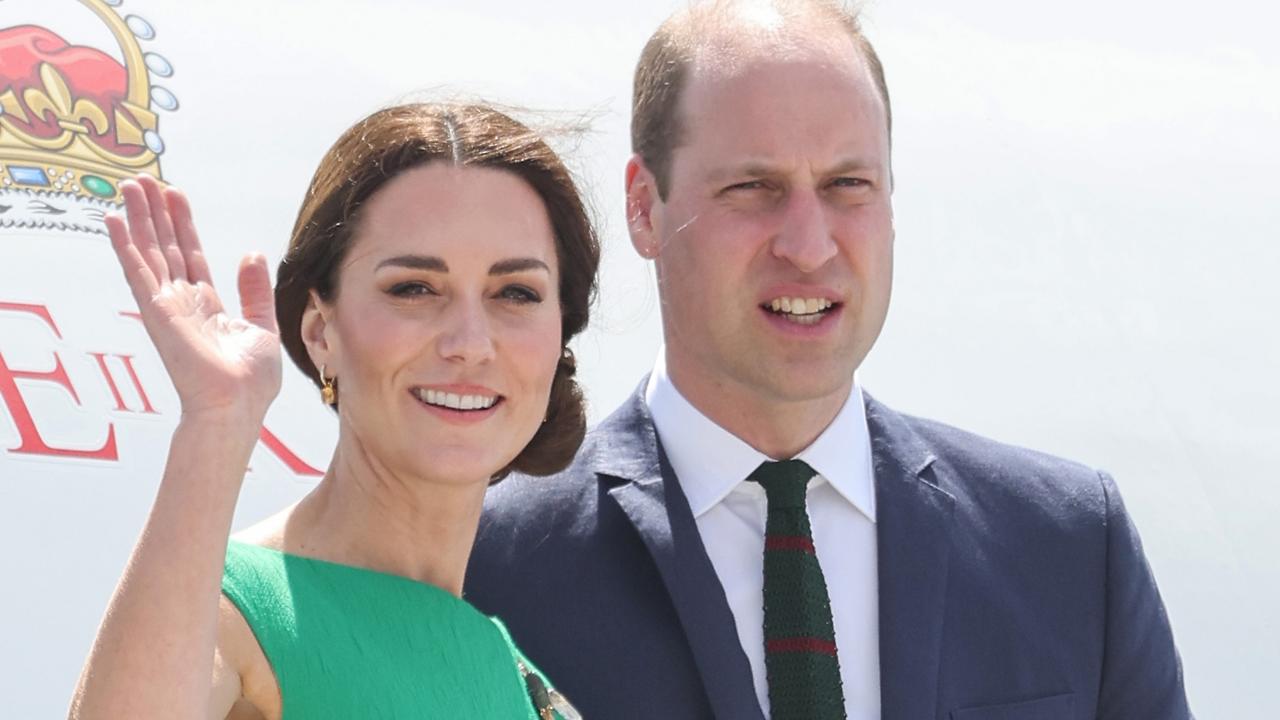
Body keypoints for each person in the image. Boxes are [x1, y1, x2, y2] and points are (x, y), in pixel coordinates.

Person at [464, 2, 1193, 719]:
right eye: (754, 188)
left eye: (848, 186)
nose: (809, 246)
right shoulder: (487, 568)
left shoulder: (1068, 547)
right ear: (644, 208)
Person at [69, 102, 597, 719]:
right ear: (321, 331)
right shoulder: (232, 613)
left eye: (516, 293)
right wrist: (216, 424)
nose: (470, 344)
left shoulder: (518, 673)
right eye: (414, 288)